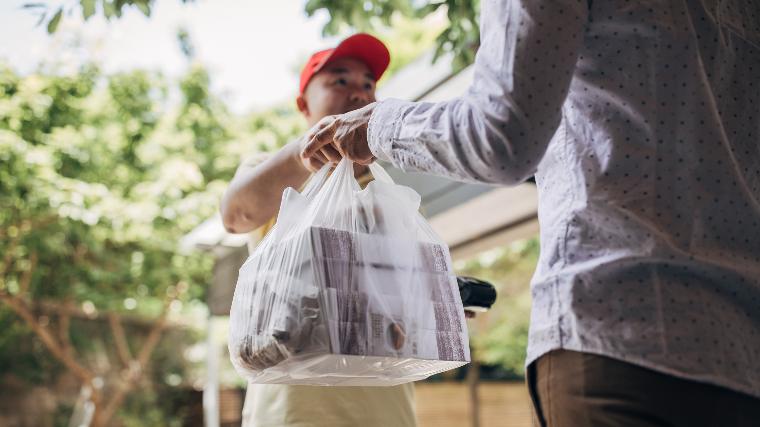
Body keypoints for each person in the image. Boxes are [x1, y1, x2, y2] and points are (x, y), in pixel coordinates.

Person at [300, 1, 760, 426]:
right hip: (742, 351)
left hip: (625, 327)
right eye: (339, 80)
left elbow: (499, 135)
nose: (359, 93)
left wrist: (376, 126)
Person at [221, 34, 416, 427]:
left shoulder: (391, 194)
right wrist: (304, 153)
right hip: (292, 411)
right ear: (303, 104)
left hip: (386, 412)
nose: (358, 93)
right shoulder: (277, 172)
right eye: (339, 81)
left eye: (367, 84)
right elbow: (236, 214)